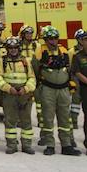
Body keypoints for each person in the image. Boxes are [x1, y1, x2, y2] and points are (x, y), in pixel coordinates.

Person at [34, 28, 81, 156]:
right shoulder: (40, 50)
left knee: (65, 118)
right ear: (45, 39)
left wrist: (71, 84)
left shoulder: (63, 50)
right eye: (50, 39)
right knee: (48, 118)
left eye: (55, 38)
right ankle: (50, 144)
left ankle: (66, 145)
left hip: (63, 89)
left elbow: (69, 69)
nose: (53, 41)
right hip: (48, 89)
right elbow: (35, 68)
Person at [0, 36, 36, 154]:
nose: (13, 50)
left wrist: (26, 88)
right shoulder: (2, 61)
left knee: (26, 121)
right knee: (10, 120)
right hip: (9, 95)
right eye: (10, 48)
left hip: (25, 94)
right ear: (7, 49)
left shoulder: (25, 61)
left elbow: (32, 77)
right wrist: (8, 88)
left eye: (15, 47)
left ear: (19, 48)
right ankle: (11, 145)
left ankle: (27, 145)